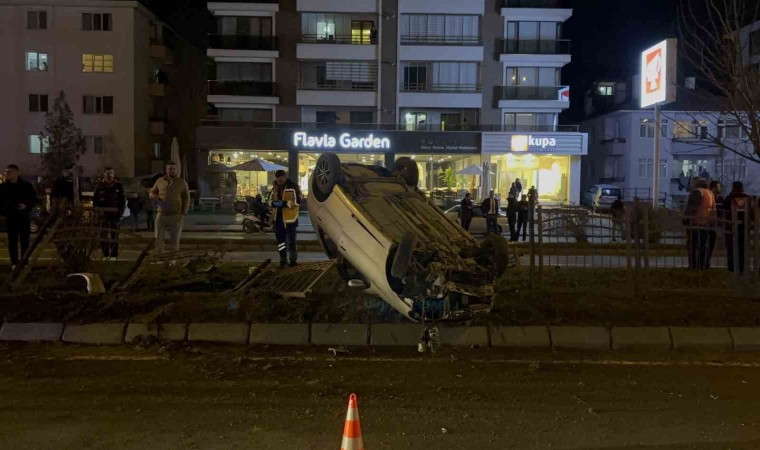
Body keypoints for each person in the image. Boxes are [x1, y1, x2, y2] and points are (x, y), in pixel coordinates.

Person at [0, 165, 37, 269]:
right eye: (6, 172)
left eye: (10, 172)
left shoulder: (26, 186)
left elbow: (33, 199)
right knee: (12, 241)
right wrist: (5, 212)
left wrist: (26, 205)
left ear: (16, 172)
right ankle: (14, 262)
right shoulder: (3, 187)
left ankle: (24, 262)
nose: (7, 174)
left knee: (25, 241)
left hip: (24, 217)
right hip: (11, 217)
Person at [150, 161, 191, 253]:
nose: (172, 170)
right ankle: (159, 257)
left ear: (176, 170)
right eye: (170, 169)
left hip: (176, 214)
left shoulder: (181, 182)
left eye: (174, 169)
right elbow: (152, 192)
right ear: (166, 170)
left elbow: (186, 197)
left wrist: (184, 212)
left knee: (174, 240)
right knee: (158, 238)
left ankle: (173, 259)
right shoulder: (160, 181)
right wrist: (154, 196)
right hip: (161, 214)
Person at [271, 170, 302, 267]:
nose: (279, 180)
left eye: (281, 178)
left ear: (285, 177)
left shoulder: (293, 187)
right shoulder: (275, 188)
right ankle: (283, 261)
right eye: (278, 179)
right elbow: (270, 201)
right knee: (281, 243)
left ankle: (293, 261)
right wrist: (274, 203)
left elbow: (298, 202)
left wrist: (283, 203)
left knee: (291, 242)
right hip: (278, 219)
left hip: (290, 220)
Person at [93, 167, 125, 261]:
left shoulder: (118, 185)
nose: (109, 175)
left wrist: (120, 212)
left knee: (115, 236)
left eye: (111, 173)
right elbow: (95, 200)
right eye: (107, 173)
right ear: (104, 174)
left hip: (115, 215)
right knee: (103, 236)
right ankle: (106, 255)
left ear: (113, 174)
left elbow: (122, 200)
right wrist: (97, 212)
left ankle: (114, 255)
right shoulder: (99, 186)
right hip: (103, 215)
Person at [684, 178, 716, 270]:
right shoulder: (710, 193)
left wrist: (686, 218)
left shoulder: (697, 192)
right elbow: (713, 209)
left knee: (693, 245)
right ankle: (702, 264)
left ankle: (694, 265)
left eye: (692, 183)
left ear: (696, 184)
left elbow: (692, 208)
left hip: (695, 222)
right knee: (703, 245)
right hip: (706, 222)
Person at [724, 181, 749, 273]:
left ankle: (732, 267)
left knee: (731, 247)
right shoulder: (746, 198)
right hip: (744, 226)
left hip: (731, 225)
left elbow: (725, 211)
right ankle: (742, 267)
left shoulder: (729, 198)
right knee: (742, 247)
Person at [707, 180, 724, 267]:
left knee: (712, 244)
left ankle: (707, 260)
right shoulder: (708, 197)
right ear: (713, 188)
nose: (720, 189)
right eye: (718, 187)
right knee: (707, 243)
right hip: (708, 224)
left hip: (717, 224)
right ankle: (705, 261)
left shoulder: (720, 199)